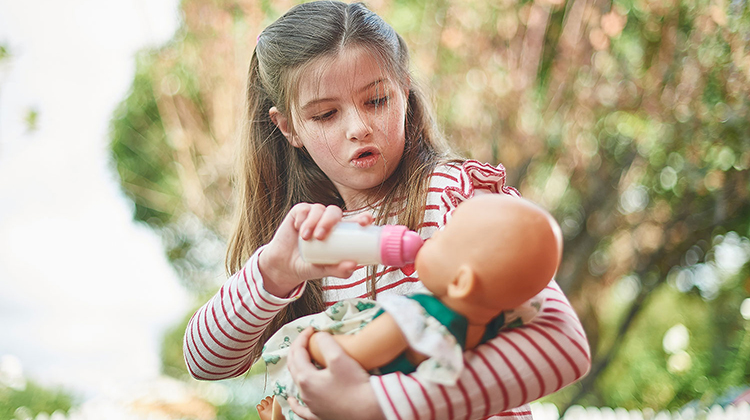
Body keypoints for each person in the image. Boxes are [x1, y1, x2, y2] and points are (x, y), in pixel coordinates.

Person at [182, 2, 591, 419]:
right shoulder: (309, 238)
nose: (358, 127)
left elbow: (565, 345)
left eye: (376, 100)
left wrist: (378, 404)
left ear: (405, 91)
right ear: (289, 128)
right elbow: (205, 362)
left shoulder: (458, 199)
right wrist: (273, 272)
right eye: (325, 114)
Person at [256, 194, 565, 420]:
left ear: (460, 282)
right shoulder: (489, 325)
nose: (429, 237)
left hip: (337, 395)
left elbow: (350, 355)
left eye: (442, 236)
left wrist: (313, 340)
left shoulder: (412, 319)